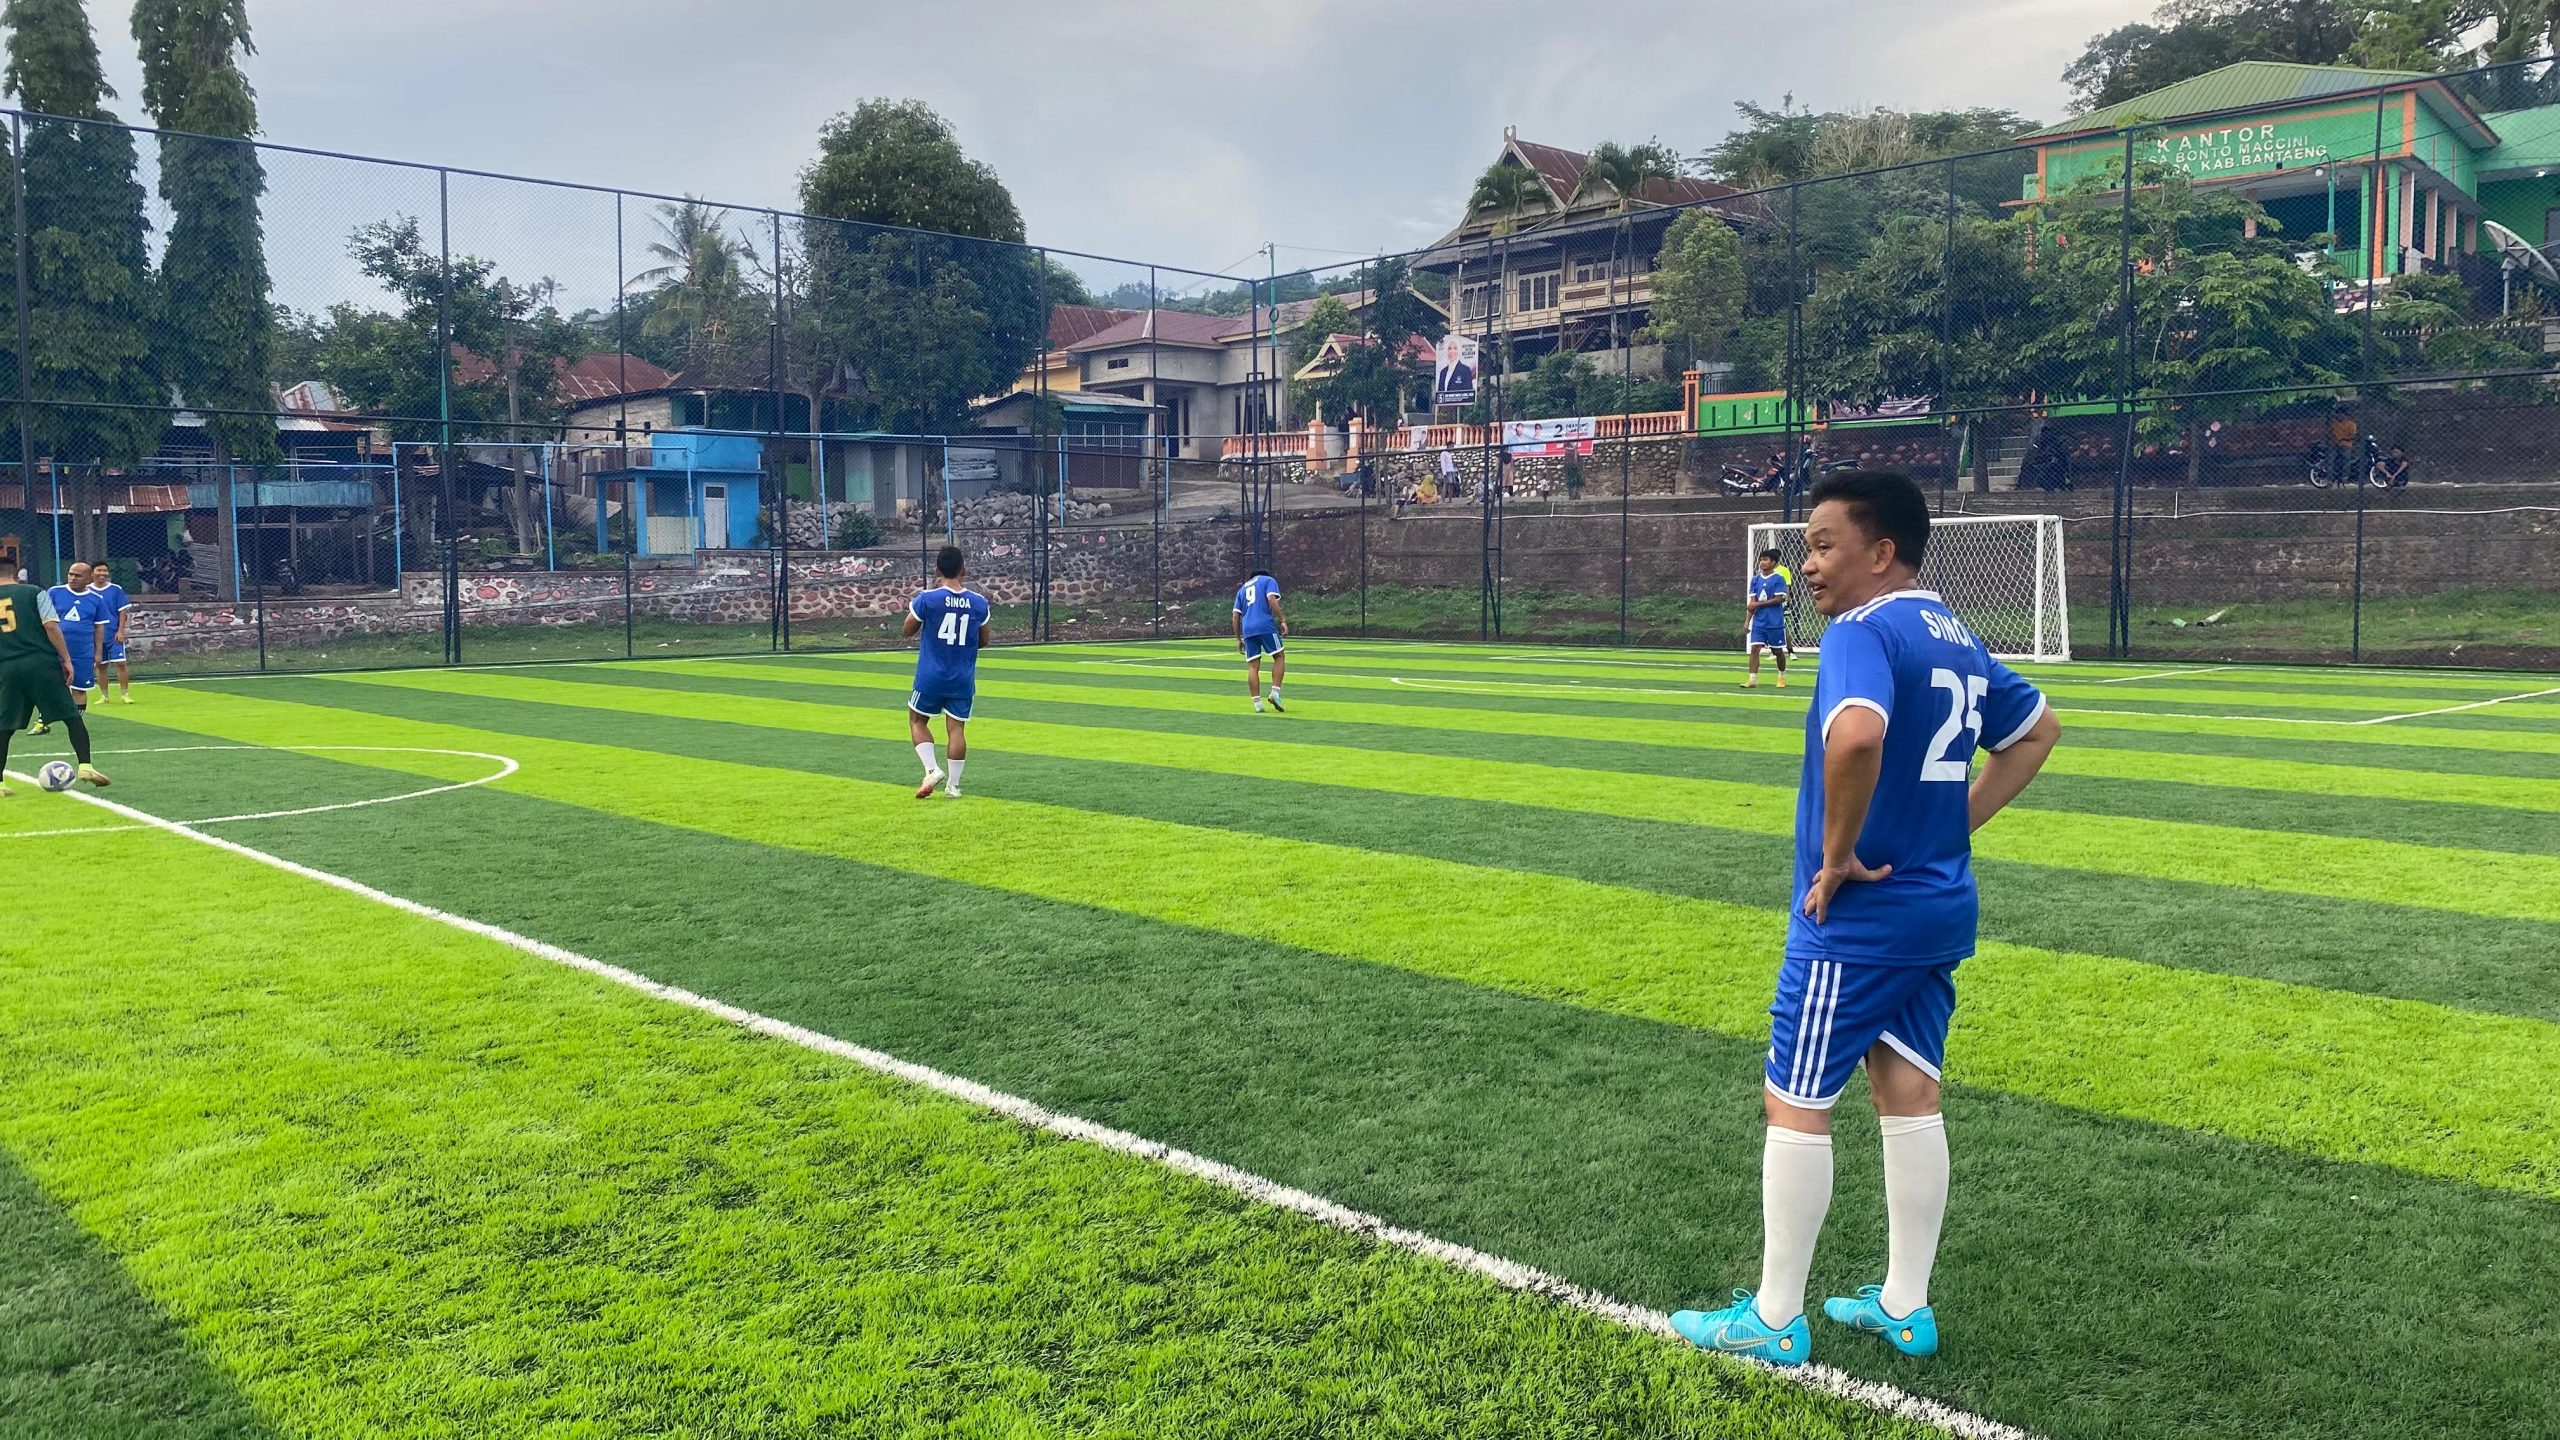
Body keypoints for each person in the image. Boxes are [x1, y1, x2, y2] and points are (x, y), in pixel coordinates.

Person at [1672, 470, 2061, 1368]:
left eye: (1823, 545)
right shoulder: (1957, 635)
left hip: (1860, 915)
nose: (1808, 565)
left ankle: (1772, 1319)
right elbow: (2037, 731)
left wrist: (1838, 854)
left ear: (1882, 553)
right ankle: (1904, 1304)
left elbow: (1855, 734)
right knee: (1909, 1090)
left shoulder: (1861, 629)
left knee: (1796, 1099)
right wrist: (1952, 823)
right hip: (1939, 908)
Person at [0, 573, 109, 793]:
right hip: (41, 664)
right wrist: (66, 659)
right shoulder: (34, 591)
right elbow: (51, 626)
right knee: (71, 716)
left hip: (7, 667)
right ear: (14, 574)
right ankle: (85, 766)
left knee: (4, 725)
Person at [899, 545, 990, 800]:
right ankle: (954, 786)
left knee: (917, 720)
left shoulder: (927, 599)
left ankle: (931, 769)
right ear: (964, 570)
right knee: (956, 730)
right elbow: (983, 640)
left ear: (937, 570)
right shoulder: (979, 603)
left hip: (931, 675)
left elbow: (907, 630)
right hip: (961, 677)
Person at [32, 563, 106, 735]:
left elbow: (99, 627)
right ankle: (42, 722)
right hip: (54, 651)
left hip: (82, 652)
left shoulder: (96, 600)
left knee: (79, 688)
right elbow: (43, 619)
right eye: (71, 574)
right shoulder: (55, 592)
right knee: (49, 686)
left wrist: (98, 652)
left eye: (78, 576)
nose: (73, 578)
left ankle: (76, 724)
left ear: (89, 579)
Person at [1233, 568, 1288, 713]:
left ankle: (1257, 703)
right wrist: (1282, 619)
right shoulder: (1268, 580)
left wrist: (1238, 639)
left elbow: (1235, 616)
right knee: (1279, 656)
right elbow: (1271, 599)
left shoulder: (1242, 589)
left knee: (1252, 666)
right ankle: (1275, 693)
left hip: (1248, 629)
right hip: (1265, 625)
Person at [1742, 548, 1791, 689]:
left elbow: (1778, 599)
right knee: (1755, 648)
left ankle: (1781, 676)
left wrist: (1758, 604)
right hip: (1759, 622)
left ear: (1773, 562)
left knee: (1777, 651)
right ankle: (1752, 679)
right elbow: (1752, 603)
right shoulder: (1755, 580)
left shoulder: (1778, 579)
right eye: (1761, 559)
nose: (1762, 562)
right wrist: (1747, 622)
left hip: (1774, 622)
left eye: (1765, 559)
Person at [88, 560, 132, 703]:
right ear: (92, 573)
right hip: (96, 636)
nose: (102, 574)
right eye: (99, 570)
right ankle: (104, 696)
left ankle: (125, 694)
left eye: (105, 571)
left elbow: (122, 611)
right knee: (101, 665)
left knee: (121, 663)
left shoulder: (115, 589)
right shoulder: (86, 590)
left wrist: (120, 631)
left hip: (113, 633)